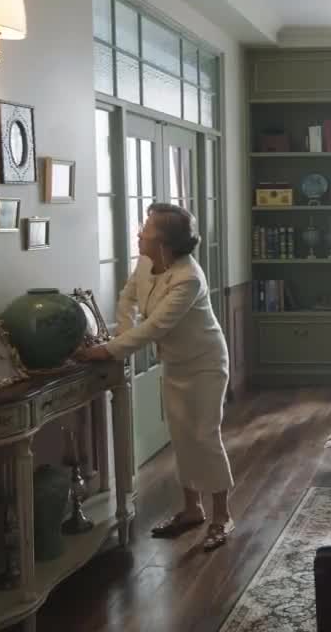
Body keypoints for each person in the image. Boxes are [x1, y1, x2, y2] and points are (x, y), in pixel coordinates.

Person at [75, 203, 235, 550]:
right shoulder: (147, 263)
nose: (139, 233)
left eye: (146, 230)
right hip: (175, 364)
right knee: (182, 436)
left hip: (205, 364)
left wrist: (108, 350)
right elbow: (128, 299)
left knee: (205, 437)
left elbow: (155, 327)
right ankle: (192, 509)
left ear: (164, 243)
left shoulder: (189, 278)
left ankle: (222, 516)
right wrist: (121, 335)